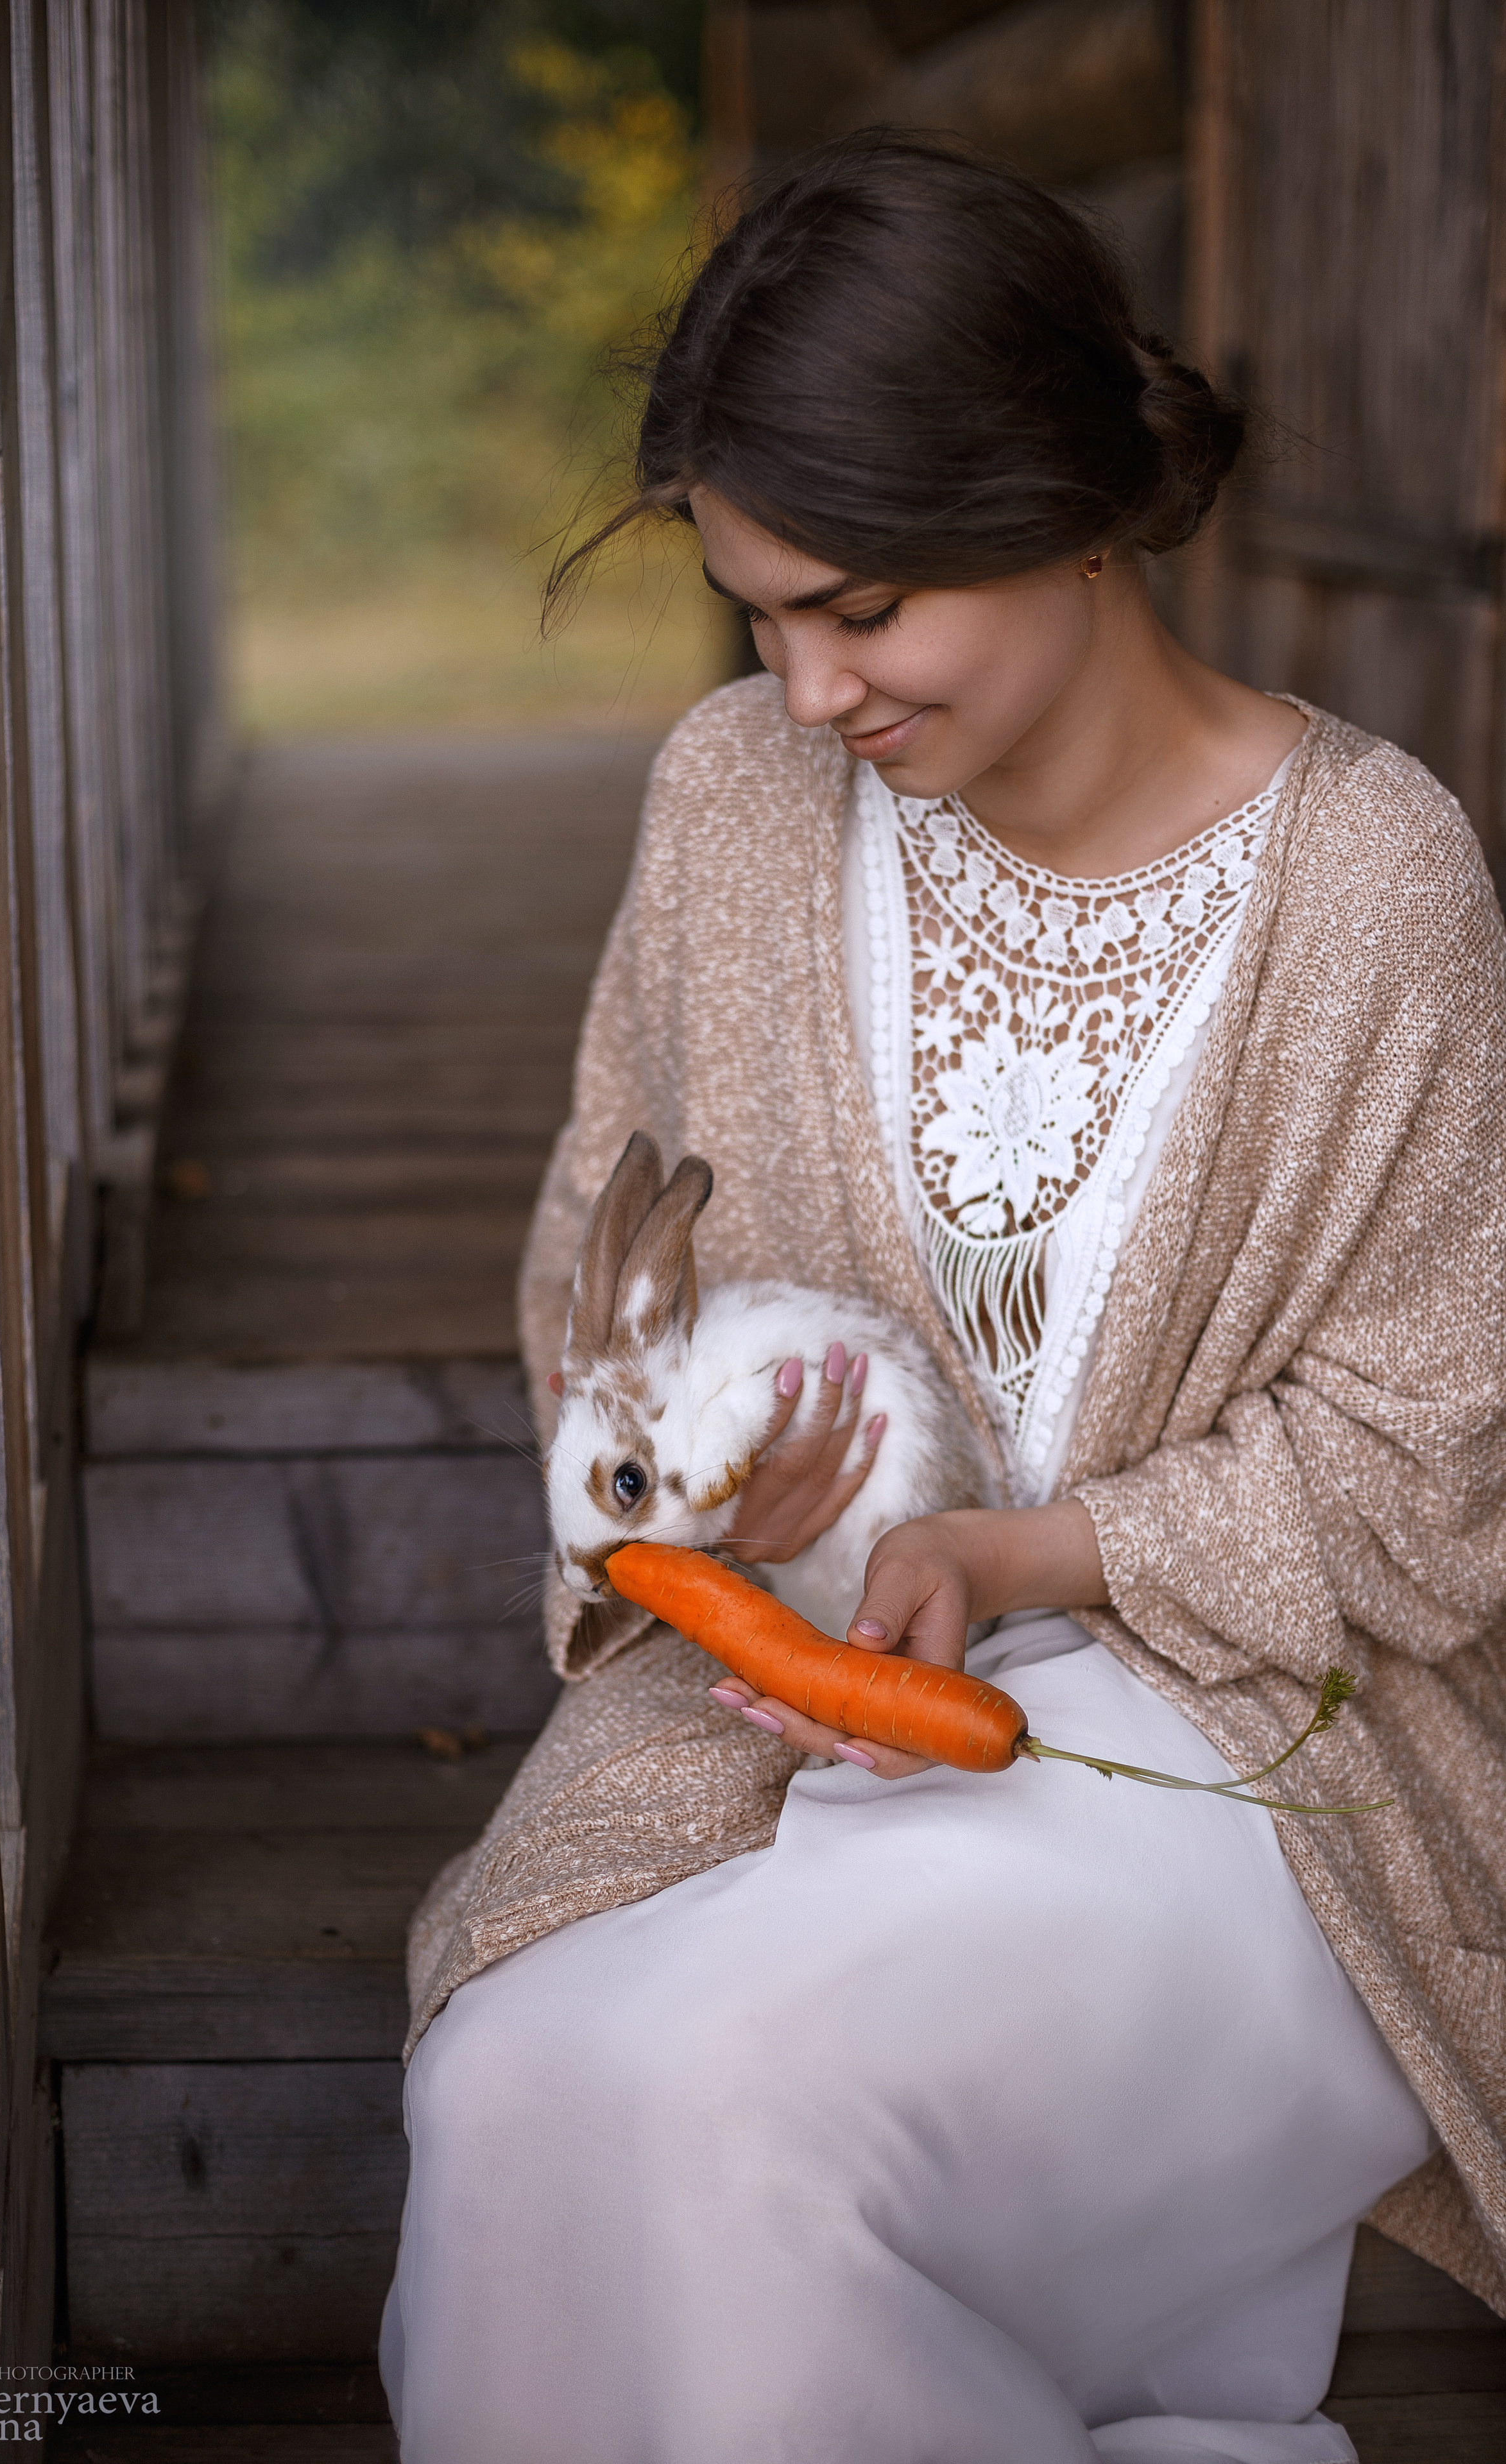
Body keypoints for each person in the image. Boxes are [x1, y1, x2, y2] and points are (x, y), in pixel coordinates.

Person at [379, 137, 1506, 2463]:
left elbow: (1434, 1454)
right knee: (516, 2086)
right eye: (758, 617)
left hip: (1249, 1765)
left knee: (730, 2104)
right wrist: (718, 1522)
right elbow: (605, 1254)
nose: (806, 692)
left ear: (1067, 504)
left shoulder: (1375, 881)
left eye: (865, 609)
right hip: (785, 1718)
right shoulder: (732, 804)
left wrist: (1015, 1555)